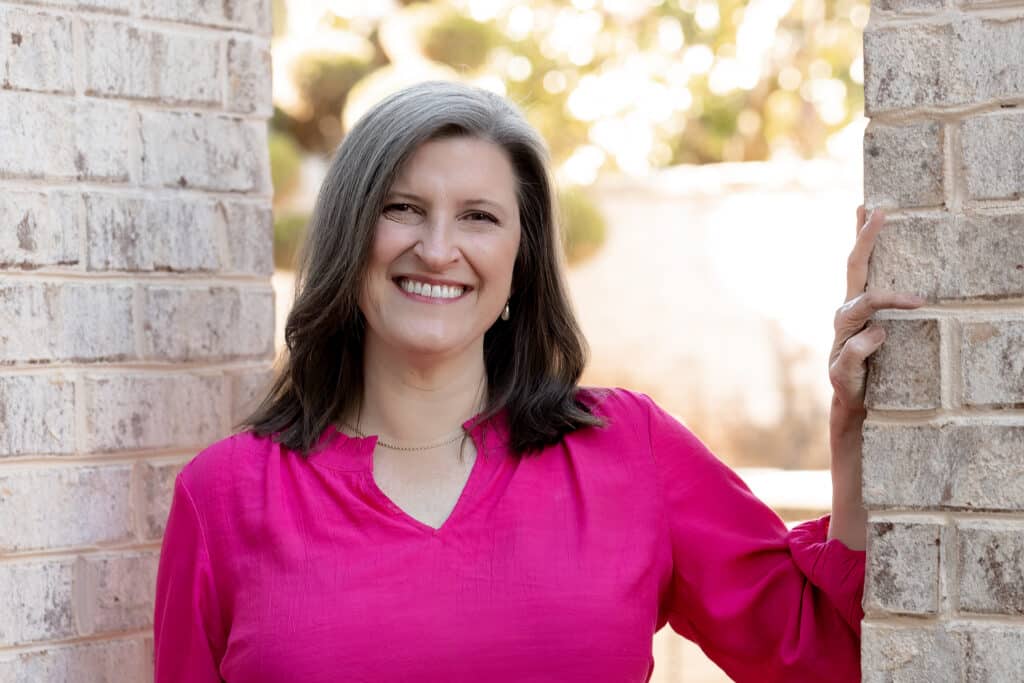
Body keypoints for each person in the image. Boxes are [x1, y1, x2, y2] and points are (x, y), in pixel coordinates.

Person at [153, 80, 926, 682]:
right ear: (350, 239)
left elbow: (826, 657)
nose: (437, 247)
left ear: (522, 262)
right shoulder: (225, 497)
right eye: (402, 208)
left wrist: (848, 432)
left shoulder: (628, 452)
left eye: (479, 217)